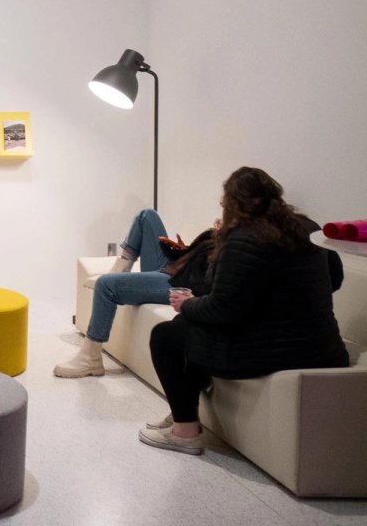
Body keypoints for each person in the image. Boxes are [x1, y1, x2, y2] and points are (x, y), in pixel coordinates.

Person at [139, 167, 348, 455]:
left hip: (271, 351)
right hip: (323, 346)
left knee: (166, 335)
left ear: (231, 203)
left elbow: (222, 308)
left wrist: (186, 304)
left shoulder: (243, 239)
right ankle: (182, 411)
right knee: (185, 328)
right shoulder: (309, 228)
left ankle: (184, 430)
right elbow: (334, 279)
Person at [54, 208, 217, 378]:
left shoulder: (234, 243)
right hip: (173, 267)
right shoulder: (222, 233)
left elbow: (212, 280)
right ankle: (120, 271)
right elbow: (198, 258)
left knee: (106, 285)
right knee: (146, 216)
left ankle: (90, 359)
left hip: (178, 282)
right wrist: (183, 250)